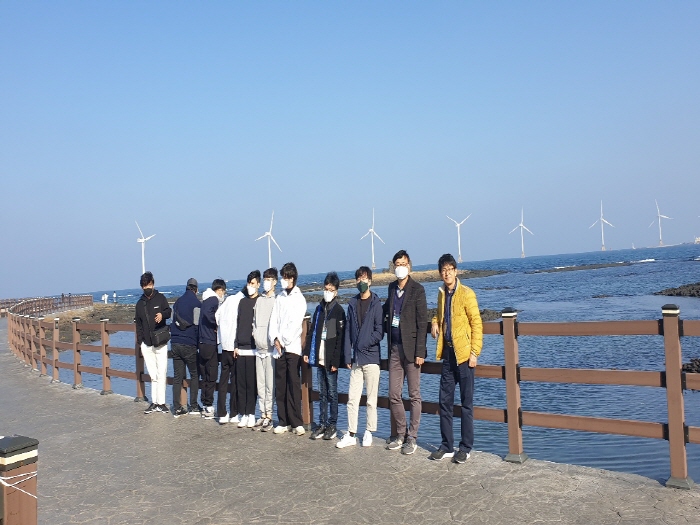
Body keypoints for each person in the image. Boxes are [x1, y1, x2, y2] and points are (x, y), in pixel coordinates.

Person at [430, 253, 483, 464]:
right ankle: (446, 445)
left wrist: (474, 353)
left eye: (450, 269)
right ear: (440, 273)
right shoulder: (442, 294)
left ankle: (465, 447)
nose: (447, 273)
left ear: (456, 271)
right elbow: (440, 314)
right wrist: (435, 321)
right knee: (444, 402)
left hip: (465, 356)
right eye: (443, 270)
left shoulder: (467, 294)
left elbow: (477, 323)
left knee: (466, 404)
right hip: (448, 355)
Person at [384, 250, 428, 455]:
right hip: (394, 348)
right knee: (394, 394)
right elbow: (385, 312)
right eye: (397, 264)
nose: (400, 267)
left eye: (403, 264)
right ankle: (400, 434)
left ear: (409, 266)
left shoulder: (418, 290)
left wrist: (421, 351)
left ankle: (412, 437)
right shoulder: (391, 288)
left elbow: (422, 322)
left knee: (414, 395)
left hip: (412, 350)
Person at [337, 266, 383, 448]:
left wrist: (364, 343)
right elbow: (348, 330)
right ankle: (351, 433)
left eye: (364, 278)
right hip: (356, 359)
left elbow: (379, 332)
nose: (361, 282)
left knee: (371, 400)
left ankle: (369, 431)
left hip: (371, 358)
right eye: (358, 279)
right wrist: (347, 355)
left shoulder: (376, 303)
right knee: (352, 398)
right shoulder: (352, 303)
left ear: (370, 281)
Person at [304, 272, 346, 441]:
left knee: (332, 393)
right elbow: (312, 333)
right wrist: (307, 352)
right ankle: (321, 423)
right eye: (326, 288)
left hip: (330, 360)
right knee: (322, 393)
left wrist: (336, 361)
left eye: (331, 289)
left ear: (336, 291)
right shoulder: (319, 309)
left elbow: (339, 339)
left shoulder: (339, 311)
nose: (328, 292)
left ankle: (332, 424)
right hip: (319, 357)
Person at [268, 262, 308, 435]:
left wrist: (283, 340)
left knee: (293, 384)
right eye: (282, 277)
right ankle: (282, 420)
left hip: (292, 347)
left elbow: (295, 323)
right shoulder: (280, 298)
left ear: (292, 278)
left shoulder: (299, 298)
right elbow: (274, 320)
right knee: (280, 385)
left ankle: (296, 421)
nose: (283, 280)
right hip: (279, 349)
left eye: (286, 277)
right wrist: (275, 339)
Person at [134, 271, 172, 414]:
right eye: (145, 286)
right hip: (147, 344)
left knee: (162, 372)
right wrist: (140, 342)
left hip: (160, 341)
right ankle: (154, 402)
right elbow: (138, 324)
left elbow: (169, 312)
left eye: (149, 284)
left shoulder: (161, 298)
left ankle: (161, 403)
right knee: (153, 374)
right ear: (142, 287)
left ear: (153, 284)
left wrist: (162, 315)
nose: (147, 288)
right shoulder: (140, 303)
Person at [170, 278, 202, 417]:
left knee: (177, 376)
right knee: (194, 374)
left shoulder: (177, 302)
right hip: (189, 343)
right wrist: (197, 343)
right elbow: (197, 326)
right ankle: (193, 405)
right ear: (196, 289)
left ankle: (177, 407)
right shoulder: (197, 304)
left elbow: (172, 322)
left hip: (175, 342)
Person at [234, 271, 261, 428]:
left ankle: (251, 413)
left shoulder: (260, 301)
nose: (250, 286)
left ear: (258, 284)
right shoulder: (242, 302)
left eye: (253, 283)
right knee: (241, 383)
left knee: (252, 384)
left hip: (253, 348)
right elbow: (238, 324)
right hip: (241, 347)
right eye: (248, 283)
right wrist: (235, 345)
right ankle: (243, 413)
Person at [253, 267, 278, 431]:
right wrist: (255, 334)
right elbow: (254, 322)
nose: (266, 282)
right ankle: (262, 414)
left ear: (275, 281)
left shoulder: (276, 300)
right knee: (260, 385)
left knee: (270, 385)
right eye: (265, 279)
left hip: (270, 350)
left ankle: (269, 415)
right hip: (258, 348)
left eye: (269, 279)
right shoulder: (259, 300)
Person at [215, 283, 245, 424]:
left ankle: (222, 412)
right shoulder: (241, 302)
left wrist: (221, 332)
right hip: (234, 347)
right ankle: (234, 413)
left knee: (223, 381)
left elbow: (216, 316)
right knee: (235, 381)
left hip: (224, 347)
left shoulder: (228, 300)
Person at [199, 279, 226, 419]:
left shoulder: (205, 299)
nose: (223, 294)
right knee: (212, 375)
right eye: (223, 291)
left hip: (202, 341)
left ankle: (205, 404)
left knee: (205, 375)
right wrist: (217, 323)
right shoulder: (213, 299)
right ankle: (209, 406)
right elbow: (207, 313)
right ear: (219, 290)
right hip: (209, 342)